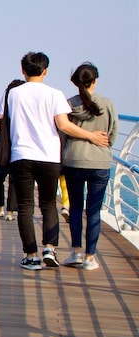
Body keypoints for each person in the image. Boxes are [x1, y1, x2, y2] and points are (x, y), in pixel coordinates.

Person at [7, 52, 109, 271]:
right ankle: (50, 249)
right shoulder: (55, 94)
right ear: (46, 71)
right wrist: (91, 136)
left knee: (25, 206)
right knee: (48, 204)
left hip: (21, 155)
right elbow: (63, 125)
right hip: (49, 157)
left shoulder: (14, 94)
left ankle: (31, 256)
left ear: (23, 70)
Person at [61, 62, 117, 271]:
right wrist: (102, 144)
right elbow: (112, 133)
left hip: (74, 160)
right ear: (95, 80)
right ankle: (90, 257)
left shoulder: (68, 104)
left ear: (76, 82)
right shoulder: (107, 103)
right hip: (99, 162)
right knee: (93, 212)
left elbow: (62, 132)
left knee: (75, 207)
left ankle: (75, 252)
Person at [0, 79, 25, 220]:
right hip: (17, 145)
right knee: (14, 180)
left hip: (2, 145)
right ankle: (11, 212)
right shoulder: (22, 106)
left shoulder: (2, 103)